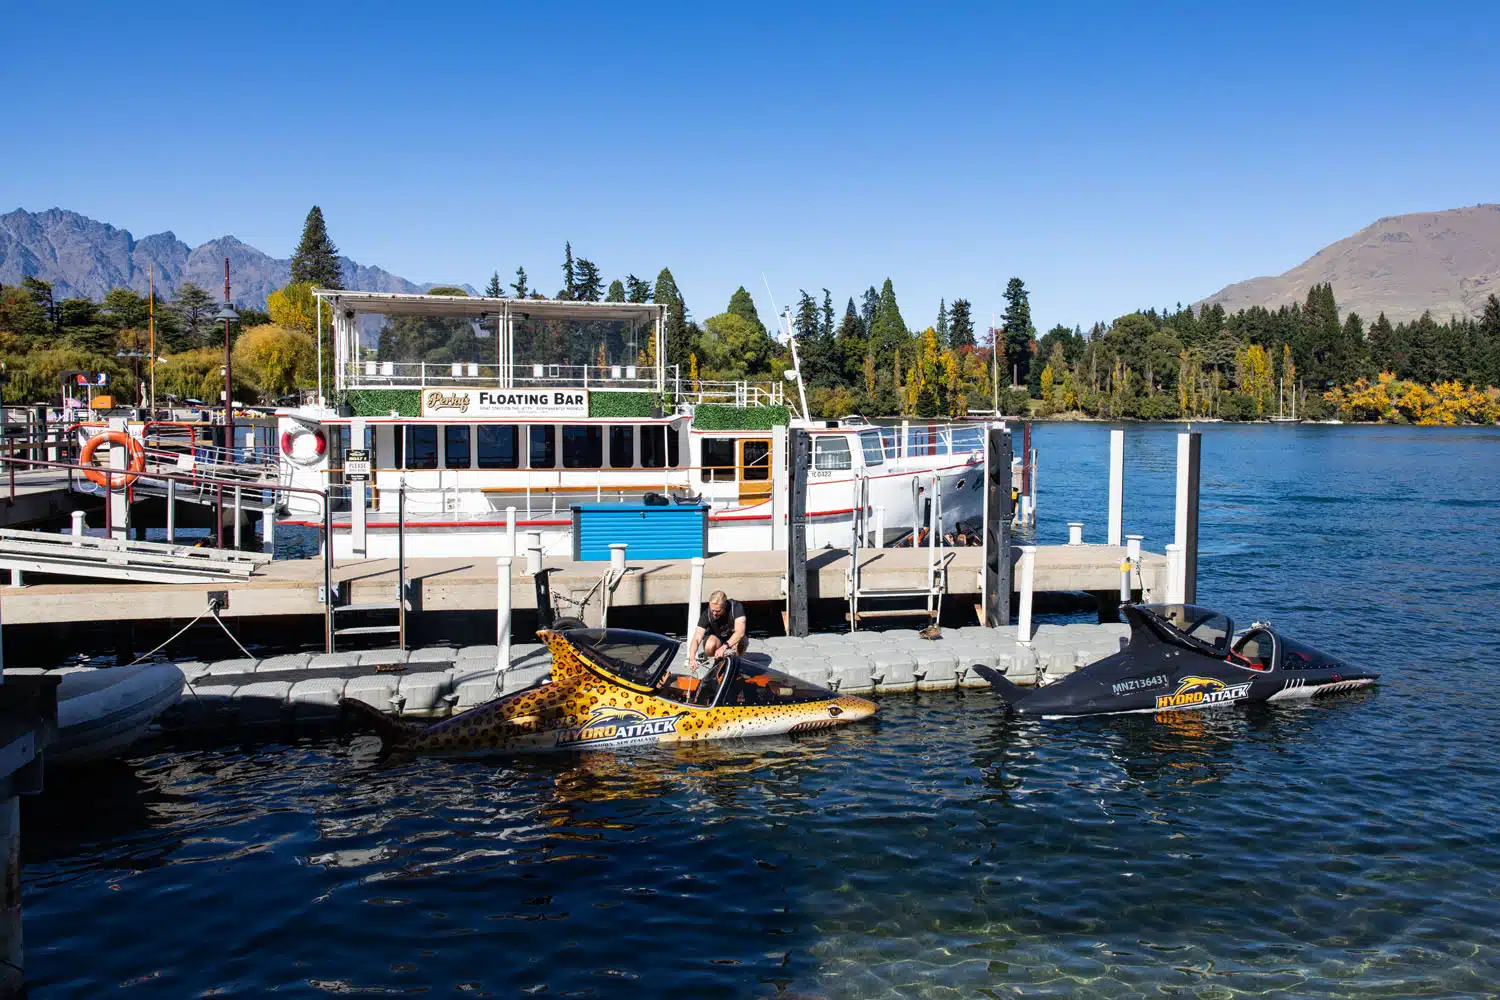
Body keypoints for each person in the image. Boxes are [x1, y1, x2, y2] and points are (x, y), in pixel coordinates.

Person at [688, 590, 747, 663]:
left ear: (725, 606)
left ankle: (735, 661)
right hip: (718, 640)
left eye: (718, 611)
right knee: (710, 646)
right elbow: (696, 638)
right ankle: (717, 660)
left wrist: (724, 646)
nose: (714, 613)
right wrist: (692, 658)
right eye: (712, 610)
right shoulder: (706, 615)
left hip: (732, 639)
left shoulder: (736, 607)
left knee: (741, 642)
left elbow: (740, 632)